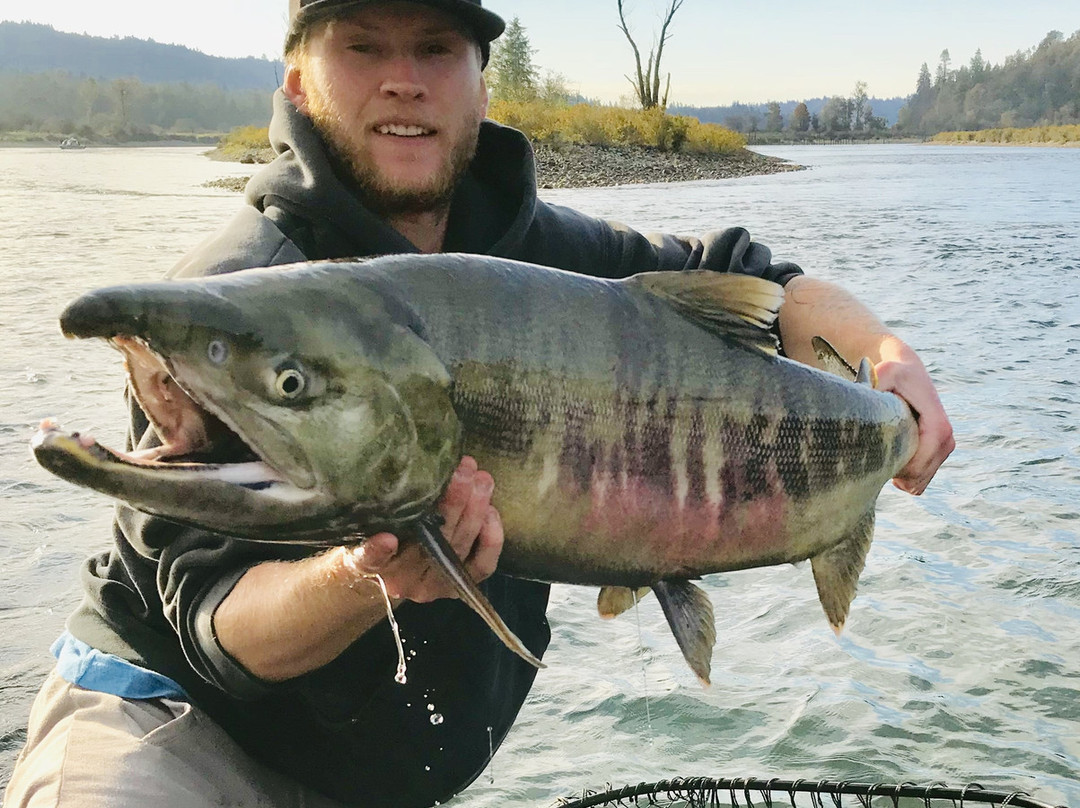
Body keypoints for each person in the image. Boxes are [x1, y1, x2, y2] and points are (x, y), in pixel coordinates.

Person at [4, 1, 955, 806]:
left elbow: (759, 284)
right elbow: (209, 628)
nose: (404, 81)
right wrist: (364, 574)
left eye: (435, 49)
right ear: (296, 84)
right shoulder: (241, 303)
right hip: (170, 733)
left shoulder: (544, 258)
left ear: (482, 82)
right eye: (363, 46)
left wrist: (884, 355)